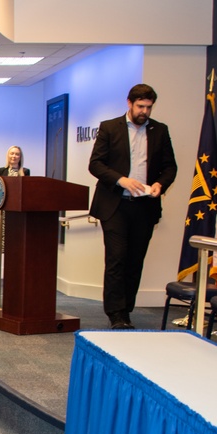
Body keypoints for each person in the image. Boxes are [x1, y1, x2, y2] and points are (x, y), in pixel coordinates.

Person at [89, 83, 177, 329]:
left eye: (148, 107)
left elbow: (170, 166)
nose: (144, 112)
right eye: (140, 106)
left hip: (145, 206)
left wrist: (161, 183)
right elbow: (95, 164)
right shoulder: (109, 128)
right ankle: (116, 314)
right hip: (115, 205)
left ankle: (126, 309)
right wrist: (121, 179)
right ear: (129, 103)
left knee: (134, 260)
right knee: (117, 258)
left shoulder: (160, 130)